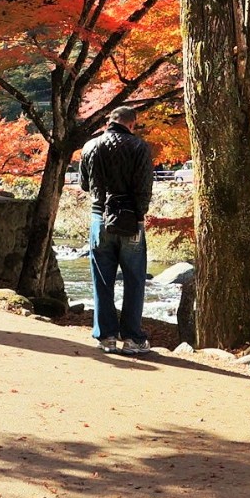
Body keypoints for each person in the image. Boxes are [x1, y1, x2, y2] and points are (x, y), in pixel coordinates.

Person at [77, 107, 155, 355]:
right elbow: (144, 190)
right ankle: (132, 338)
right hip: (131, 219)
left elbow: (84, 184)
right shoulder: (139, 147)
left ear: (109, 122)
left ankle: (106, 336)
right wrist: (139, 216)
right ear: (132, 124)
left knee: (102, 279)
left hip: (100, 218)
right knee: (134, 280)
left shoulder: (90, 147)